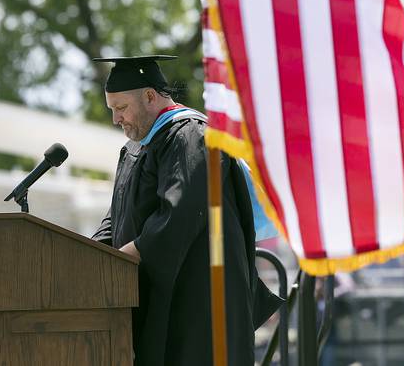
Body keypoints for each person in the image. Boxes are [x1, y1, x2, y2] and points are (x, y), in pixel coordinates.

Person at [92, 55, 280, 366]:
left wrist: (125, 256)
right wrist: (91, 254)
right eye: (112, 110)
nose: (116, 119)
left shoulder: (190, 135)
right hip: (161, 299)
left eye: (121, 108)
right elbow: (117, 215)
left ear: (150, 96)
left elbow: (178, 214)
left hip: (195, 301)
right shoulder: (135, 148)